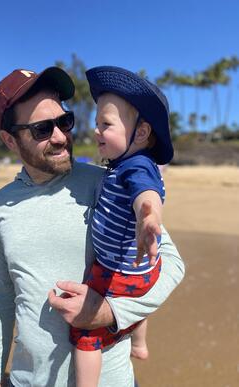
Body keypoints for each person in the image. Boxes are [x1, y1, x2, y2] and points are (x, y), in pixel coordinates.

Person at [0, 66, 185, 387]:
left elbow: (171, 265)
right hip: (29, 379)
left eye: (65, 121)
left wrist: (110, 313)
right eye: (41, 129)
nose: (61, 137)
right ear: (10, 139)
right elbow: (1, 294)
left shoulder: (108, 184)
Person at [69, 66, 178, 387]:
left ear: (140, 133)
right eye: (96, 124)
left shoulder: (136, 166)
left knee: (85, 333)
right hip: (145, 270)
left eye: (106, 124)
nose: (96, 131)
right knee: (137, 305)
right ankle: (139, 342)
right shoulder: (121, 165)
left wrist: (149, 216)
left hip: (119, 272)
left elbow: (146, 193)